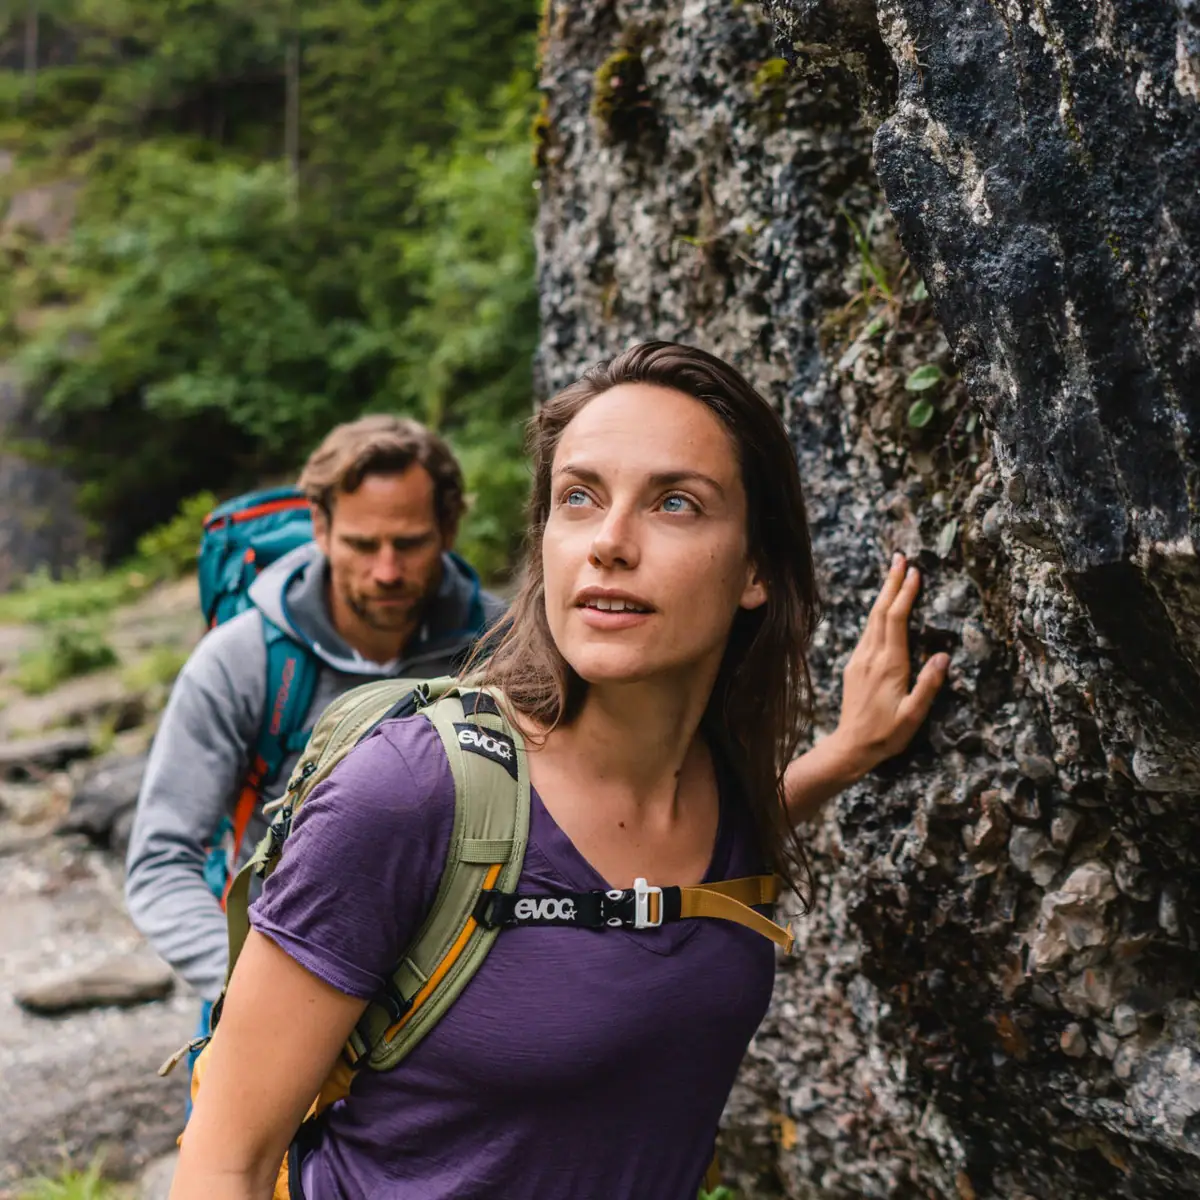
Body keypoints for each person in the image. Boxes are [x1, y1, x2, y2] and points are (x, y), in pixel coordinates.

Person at [170, 342, 950, 1200]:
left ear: (756, 567)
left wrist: (846, 753)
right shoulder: (408, 793)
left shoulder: (716, 785)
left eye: (676, 503)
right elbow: (224, 1163)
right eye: (579, 497)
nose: (610, 543)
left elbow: (663, 860)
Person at [125, 415, 507, 1014]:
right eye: (362, 544)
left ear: (450, 527)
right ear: (321, 529)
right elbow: (161, 863)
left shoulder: (503, 651)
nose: (386, 571)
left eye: (409, 543)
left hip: (449, 1001)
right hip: (268, 988)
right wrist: (249, 999)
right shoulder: (245, 661)